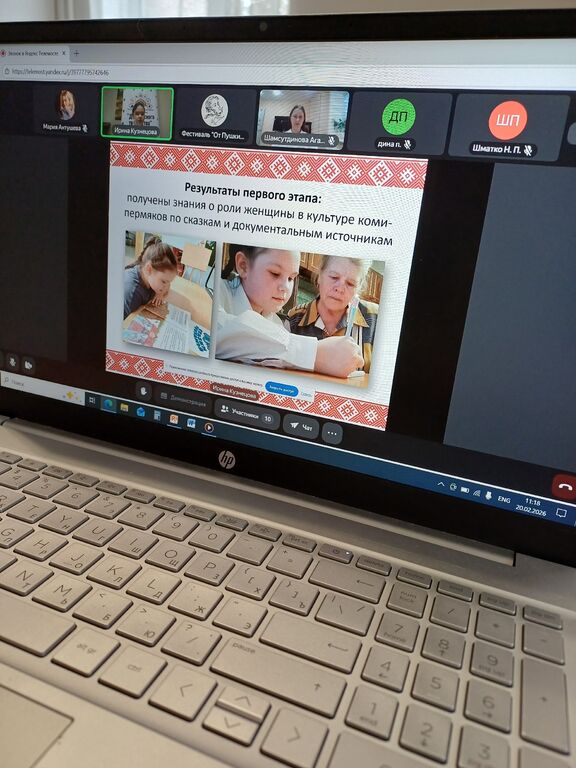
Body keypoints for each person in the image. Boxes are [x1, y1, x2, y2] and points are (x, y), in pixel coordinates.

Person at [216, 245, 363, 377]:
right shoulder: (214, 292)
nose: (285, 288)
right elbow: (215, 329)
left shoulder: (276, 323)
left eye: (291, 278)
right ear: (243, 266)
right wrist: (314, 353)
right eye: (275, 273)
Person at [287, 254, 378, 373]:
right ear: (320, 276)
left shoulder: (377, 317)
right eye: (334, 277)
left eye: (350, 284)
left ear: (359, 287)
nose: (339, 289)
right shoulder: (294, 318)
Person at [124, 236, 179, 318]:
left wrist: (160, 293)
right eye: (164, 281)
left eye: (168, 282)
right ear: (149, 269)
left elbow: (168, 285)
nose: (166, 286)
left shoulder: (149, 276)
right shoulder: (132, 293)